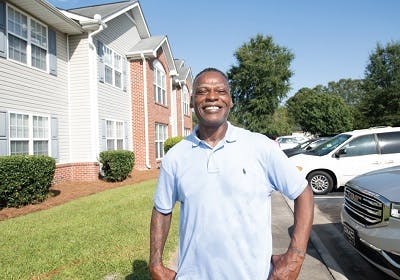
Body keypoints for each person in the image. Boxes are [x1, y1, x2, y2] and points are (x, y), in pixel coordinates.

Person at [149, 68, 314, 279]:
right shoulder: (176, 156)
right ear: (191, 101)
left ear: (231, 100)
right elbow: (162, 209)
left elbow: (303, 193)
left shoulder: (260, 146)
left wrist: (295, 257)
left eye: (220, 91)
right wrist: (155, 263)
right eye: (202, 91)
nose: (212, 97)